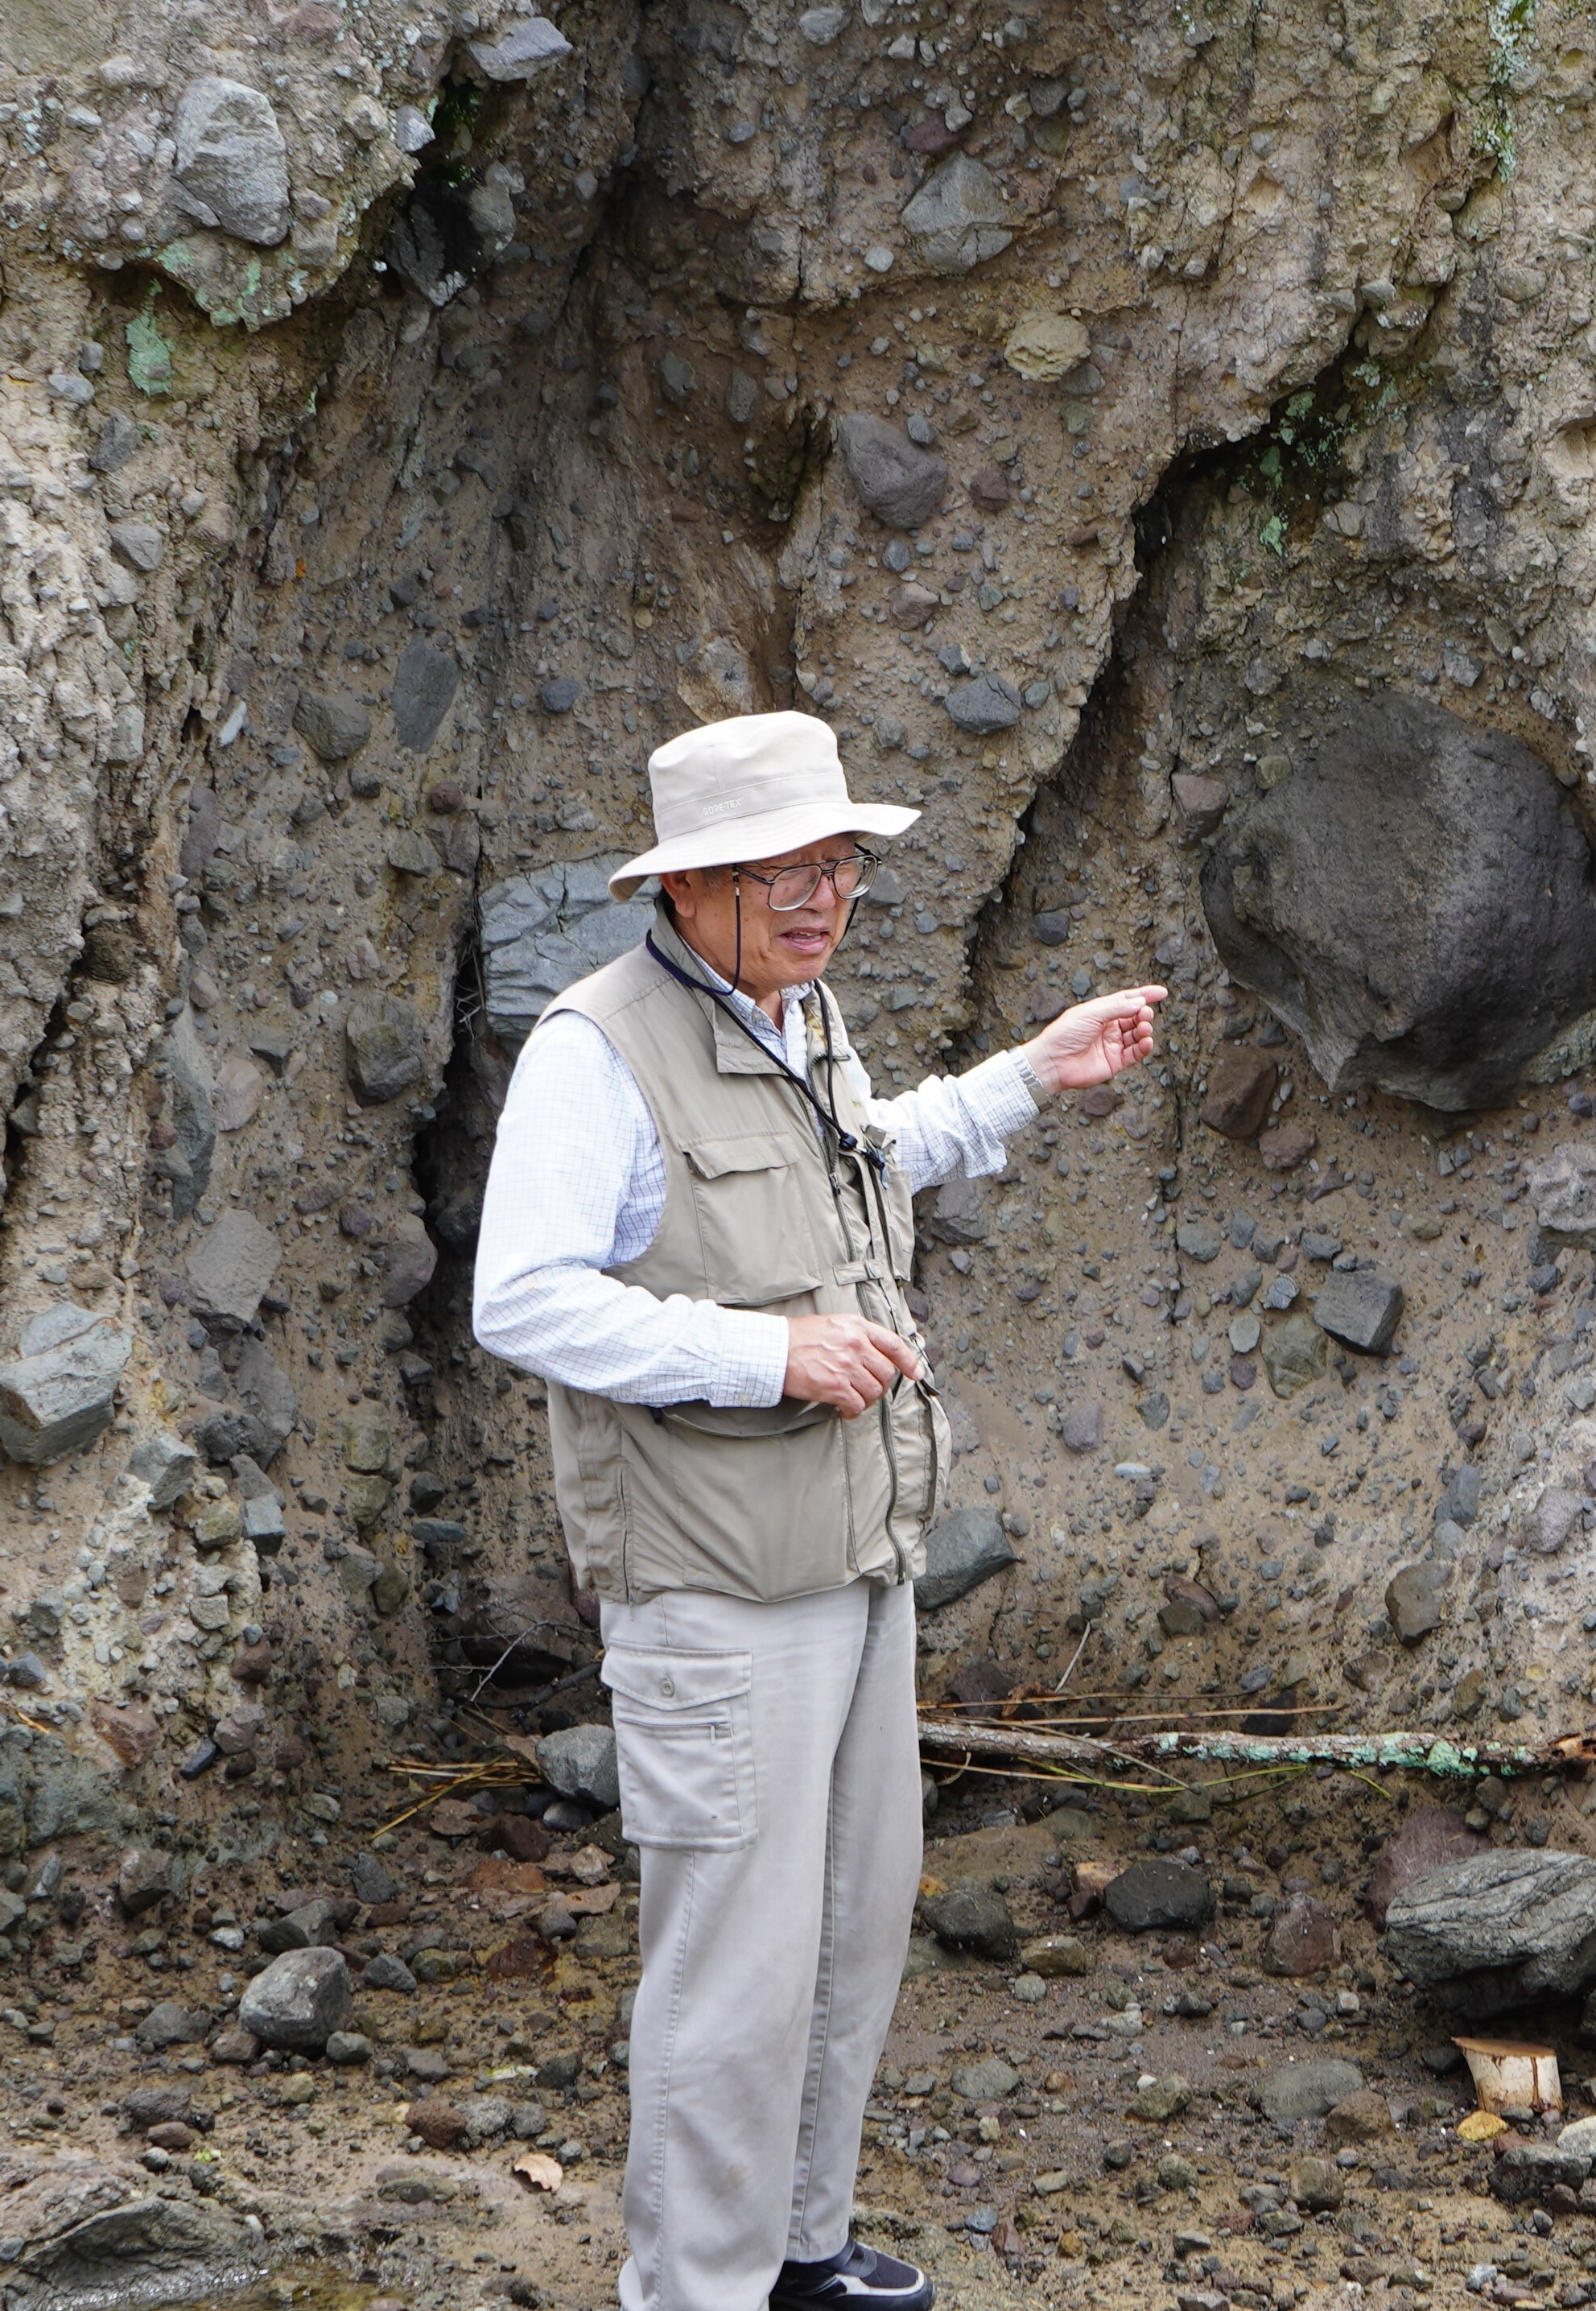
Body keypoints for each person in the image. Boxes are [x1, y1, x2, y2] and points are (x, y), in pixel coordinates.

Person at [468, 711, 1163, 2311]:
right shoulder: (597, 1045)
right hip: (712, 1591)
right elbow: (523, 1298)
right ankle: (694, 2288)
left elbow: (871, 1154)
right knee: (728, 1973)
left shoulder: (798, 1011)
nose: (821, 892)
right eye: (783, 866)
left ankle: (796, 2247)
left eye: (837, 861)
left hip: (853, 1565)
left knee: (847, 1933)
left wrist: (1026, 1077)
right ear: (693, 882)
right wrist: (760, 1351)